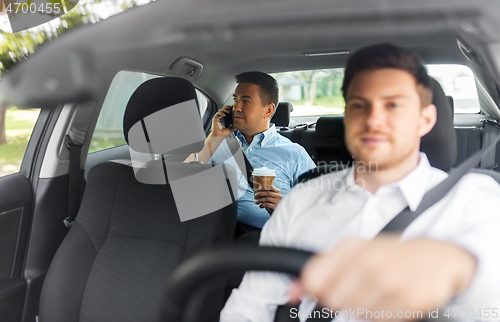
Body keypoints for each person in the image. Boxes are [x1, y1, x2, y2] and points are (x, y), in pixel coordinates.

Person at [220, 44, 500, 321]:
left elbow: (488, 269)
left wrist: (454, 266)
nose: (374, 119)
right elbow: (249, 308)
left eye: (393, 105)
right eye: (359, 105)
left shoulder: (475, 198)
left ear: (425, 120)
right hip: (228, 237)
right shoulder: (302, 200)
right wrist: (211, 142)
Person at [186, 71, 315, 230]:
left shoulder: (293, 153)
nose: (236, 107)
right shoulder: (218, 143)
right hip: (214, 235)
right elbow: (182, 178)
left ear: (268, 110)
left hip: (265, 240)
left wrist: (283, 207)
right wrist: (214, 136)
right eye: (235, 100)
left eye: (246, 101)